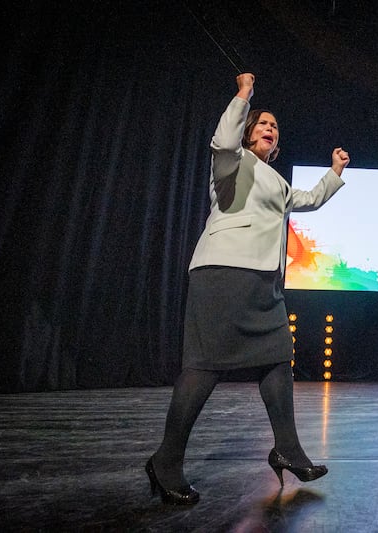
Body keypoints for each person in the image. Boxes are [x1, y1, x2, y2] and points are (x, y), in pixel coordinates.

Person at [145, 72, 350, 505]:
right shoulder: (231, 160)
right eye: (262, 123)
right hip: (223, 272)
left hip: (265, 282)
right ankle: (165, 461)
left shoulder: (277, 182)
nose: (270, 128)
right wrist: (243, 96)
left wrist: (334, 173)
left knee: (278, 359)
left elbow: (309, 199)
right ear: (247, 130)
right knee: (204, 367)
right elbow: (221, 140)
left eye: (274, 127)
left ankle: (287, 449)